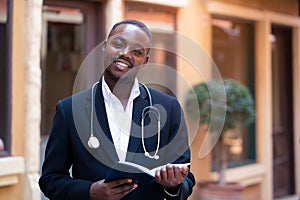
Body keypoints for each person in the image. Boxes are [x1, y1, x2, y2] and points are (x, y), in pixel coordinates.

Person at [39, 19, 195, 200]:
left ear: (145, 61)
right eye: (118, 44)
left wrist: (173, 185)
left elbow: (187, 179)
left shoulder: (168, 108)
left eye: (137, 52)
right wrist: (90, 192)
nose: (125, 54)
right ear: (104, 47)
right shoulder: (70, 110)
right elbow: (50, 180)